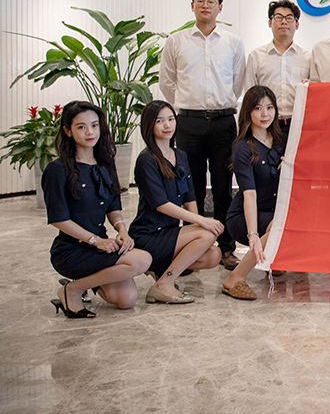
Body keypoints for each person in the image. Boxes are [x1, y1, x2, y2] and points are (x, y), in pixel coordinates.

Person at [160, 0, 246, 270]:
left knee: (223, 187)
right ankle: (192, 247)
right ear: (192, 6)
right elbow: (167, 82)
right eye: (200, 0)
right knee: (190, 188)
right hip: (189, 122)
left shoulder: (233, 42)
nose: (205, 5)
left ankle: (226, 248)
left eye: (211, 1)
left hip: (223, 122)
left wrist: (222, 105)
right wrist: (185, 106)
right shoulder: (176, 41)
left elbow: (238, 81)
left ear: (220, 8)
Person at [43, 101, 152, 318]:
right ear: (67, 131)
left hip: (100, 246)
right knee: (142, 260)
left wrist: (122, 231)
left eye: (94, 125)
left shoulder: (105, 164)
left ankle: (81, 283)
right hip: (72, 250)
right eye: (81, 127)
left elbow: (113, 207)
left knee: (126, 299)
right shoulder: (57, 169)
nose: (90, 132)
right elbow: (58, 219)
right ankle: (72, 290)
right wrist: (96, 241)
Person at [129, 101, 224, 304]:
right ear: (149, 125)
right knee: (207, 234)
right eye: (160, 121)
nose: (167, 125)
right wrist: (202, 223)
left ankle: (160, 271)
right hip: (149, 234)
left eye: (171, 119)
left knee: (213, 255)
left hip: (171, 232)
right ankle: (164, 284)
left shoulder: (180, 155)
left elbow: (190, 198)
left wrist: (197, 226)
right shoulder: (146, 159)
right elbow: (161, 204)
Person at [222, 86, 285, 301]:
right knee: (278, 226)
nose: (265, 114)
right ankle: (235, 278)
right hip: (245, 215)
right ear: (248, 112)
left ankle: (273, 260)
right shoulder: (242, 147)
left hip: (272, 211)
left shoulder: (280, 140)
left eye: (269, 107)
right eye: (258, 108)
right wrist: (253, 235)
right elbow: (249, 194)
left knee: (286, 222)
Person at [245, 0, 311, 135]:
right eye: (278, 17)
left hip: (298, 126)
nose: (284, 22)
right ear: (270, 23)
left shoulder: (307, 58)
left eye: (289, 18)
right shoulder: (256, 56)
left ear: (297, 25)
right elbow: (249, 94)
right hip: (266, 126)